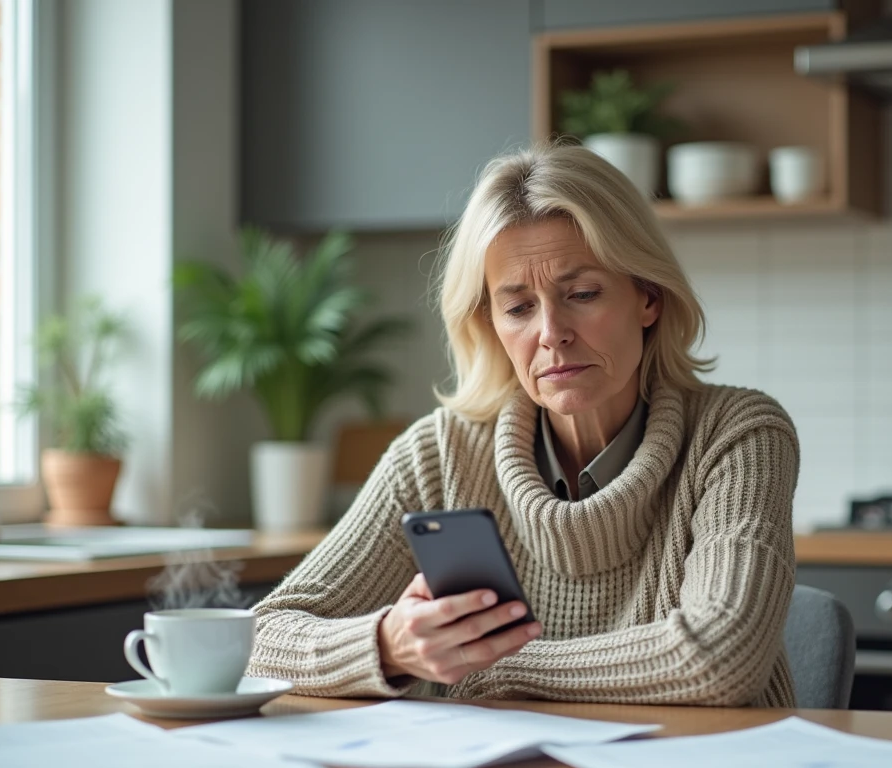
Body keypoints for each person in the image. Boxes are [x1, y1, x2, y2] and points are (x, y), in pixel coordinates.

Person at [247, 143, 800, 707]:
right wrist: (390, 646)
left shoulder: (738, 435)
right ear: (489, 324)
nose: (551, 332)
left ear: (648, 297)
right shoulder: (439, 454)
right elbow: (261, 639)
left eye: (582, 294)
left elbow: (722, 658)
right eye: (518, 308)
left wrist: (493, 667)